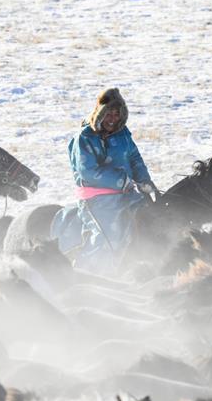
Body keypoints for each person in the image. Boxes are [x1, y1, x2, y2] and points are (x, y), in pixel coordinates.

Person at [66, 87, 158, 274]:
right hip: (98, 201)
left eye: (117, 115)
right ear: (100, 113)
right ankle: (84, 275)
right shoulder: (85, 138)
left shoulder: (123, 134)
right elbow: (87, 172)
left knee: (153, 222)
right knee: (107, 238)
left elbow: (134, 158)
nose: (112, 119)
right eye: (109, 114)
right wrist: (120, 181)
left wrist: (145, 181)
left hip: (128, 195)